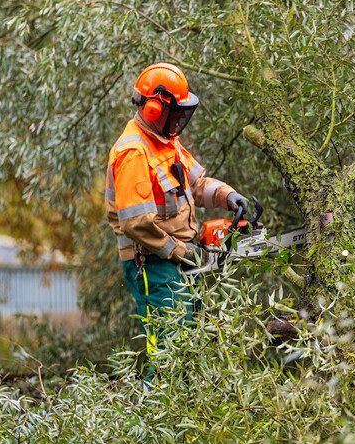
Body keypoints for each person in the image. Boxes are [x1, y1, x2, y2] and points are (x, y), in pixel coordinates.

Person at [104, 62, 248, 376]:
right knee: (170, 354)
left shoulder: (166, 144)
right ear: (156, 109)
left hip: (176, 259)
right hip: (152, 263)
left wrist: (227, 195)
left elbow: (195, 184)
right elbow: (136, 223)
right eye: (176, 112)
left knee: (189, 348)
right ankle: (154, 421)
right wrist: (184, 253)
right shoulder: (133, 152)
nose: (180, 120)